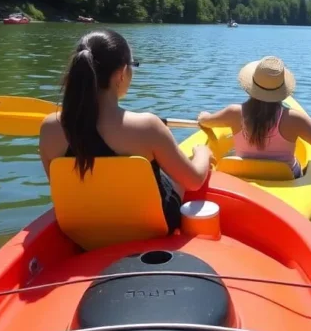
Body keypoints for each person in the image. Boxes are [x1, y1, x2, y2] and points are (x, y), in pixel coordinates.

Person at [38, 29, 212, 233]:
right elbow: (193, 182)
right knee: (175, 177)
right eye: (132, 65)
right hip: (152, 229)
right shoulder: (148, 126)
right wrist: (203, 154)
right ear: (121, 73)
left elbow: (62, 187)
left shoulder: (49, 128)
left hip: (84, 232)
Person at [196, 56, 311, 179]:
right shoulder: (294, 119)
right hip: (284, 178)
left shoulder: (233, 113)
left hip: (242, 175)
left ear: (251, 85)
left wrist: (204, 116)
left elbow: (205, 121)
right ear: (282, 89)